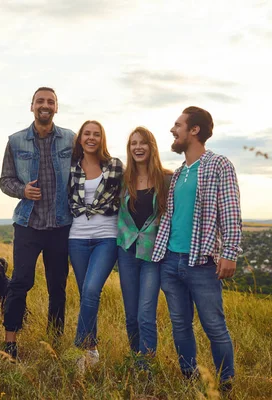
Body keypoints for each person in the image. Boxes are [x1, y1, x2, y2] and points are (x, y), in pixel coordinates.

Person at [152, 106, 242, 390]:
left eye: (178, 125)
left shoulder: (219, 164)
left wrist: (229, 252)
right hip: (170, 260)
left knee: (214, 327)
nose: (172, 130)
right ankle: (189, 379)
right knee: (180, 326)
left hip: (201, 262)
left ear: (195, 130)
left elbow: (230, 211)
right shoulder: (179, 173)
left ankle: (226, 386)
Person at [0, 87, 76, 360]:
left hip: (60, 225)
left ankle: (53, 343)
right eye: (40, 101)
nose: (45, 105)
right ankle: (10, 343)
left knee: (58, 286)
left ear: (57, 107)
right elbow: (4, 180)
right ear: (31, 106)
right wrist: (22, 191)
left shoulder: (70, 139)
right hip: (27, 225)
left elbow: (86, 171)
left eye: (51, 102)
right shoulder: (16, 141)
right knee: (20, 282)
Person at [67, 120, 123, 371]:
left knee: (91, 290)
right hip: (77, 237)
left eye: (96, 134)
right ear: (80, 138)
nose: (91, 138)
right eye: (87, 134)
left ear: (102, 138)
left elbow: (138, 180)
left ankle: (79, 350)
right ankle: (92, 349)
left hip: (106, 236)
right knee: (86, 295)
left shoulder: (114, 166)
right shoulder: (70, 166)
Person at [116, 127, 172, 371]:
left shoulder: (167, 179)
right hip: (127, 252)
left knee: (145, 315)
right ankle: (134, 361)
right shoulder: (122, 180)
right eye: (133, 143)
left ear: (152, 147)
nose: (138, 147)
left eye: (143, 143)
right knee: (130, 316)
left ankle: (146, 368)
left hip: (153, 254)